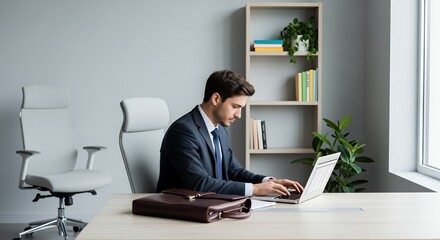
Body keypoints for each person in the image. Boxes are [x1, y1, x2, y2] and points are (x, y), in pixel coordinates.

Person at [156, 70, 303, 197]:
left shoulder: (219, 130)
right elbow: (200, 184)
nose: (239, 115)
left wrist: (268, 182)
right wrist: (255, 189)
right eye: (235, 106)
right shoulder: (183, 132)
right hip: (182, 212)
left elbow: (235, 172)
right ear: (216, 99)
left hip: (212, 206)